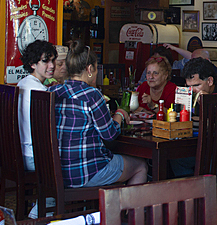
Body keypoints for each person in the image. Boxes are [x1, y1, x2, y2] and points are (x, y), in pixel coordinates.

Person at [49, 41, 148, 188]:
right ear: (89, 69)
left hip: (55, 171)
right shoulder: (92, 95)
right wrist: (120, 114)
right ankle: (122, 211)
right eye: (96, 70)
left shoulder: (53, 92)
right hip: (86, 172)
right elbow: (109, 134)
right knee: (141, 166)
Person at [17, 40, 57, 172]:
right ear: (32, 64)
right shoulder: (40, 91)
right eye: (45, 61)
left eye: (53, 60)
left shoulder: (22, 84)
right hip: (36, 157)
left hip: (20, 154)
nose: (52, 66)